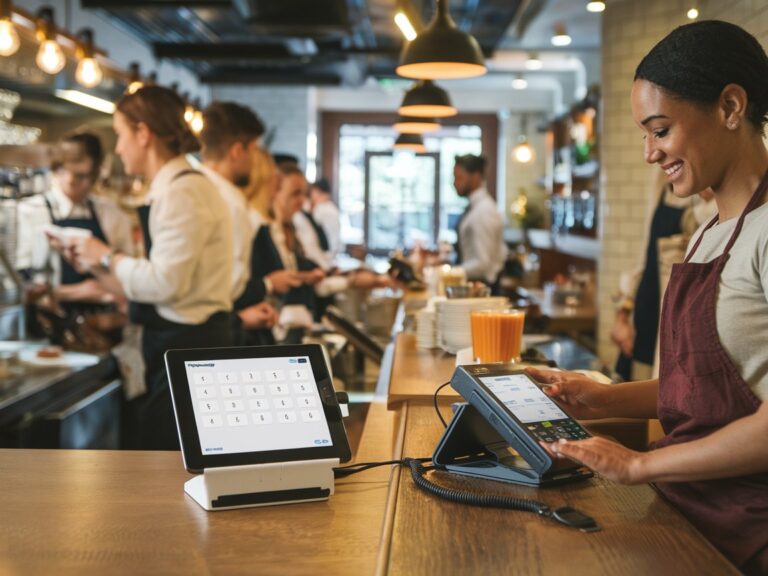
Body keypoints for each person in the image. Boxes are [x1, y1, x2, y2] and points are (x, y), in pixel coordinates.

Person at [528, 21, 768, 574]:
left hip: (749, 532)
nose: (649, 153)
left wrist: (636, 466)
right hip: (691, 514)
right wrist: (600, 398)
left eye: (660, 130)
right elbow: (708, 390)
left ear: (731, 106)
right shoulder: (710, 230)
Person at [73, 86, 234, 450]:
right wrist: (93, 265)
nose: (117, 148)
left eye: (120, 134)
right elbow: (156, 281)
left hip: (190, 353)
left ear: (143, 134)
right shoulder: (172, 187)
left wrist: (105, 257)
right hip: (179, 345)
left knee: (169, 474)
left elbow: (165, 284)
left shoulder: (182, 192)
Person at [17, 132, 134, 324]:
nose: (71, 180)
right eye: (64, 170)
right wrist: (77, 292)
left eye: (81, 175)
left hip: (103, 324)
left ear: (96, 174)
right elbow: (19, 286)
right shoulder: (30, 212)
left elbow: (129, 276)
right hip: (48, 324)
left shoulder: (111, 214)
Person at [612, 181, 716, 381]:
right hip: (644, 324)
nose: (652, 156)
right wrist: (622, 317)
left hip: (679, 330)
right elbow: (644, 260)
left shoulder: (717, 202)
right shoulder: (660, 182)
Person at [197, 102, 279, 342]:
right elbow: (232, 285)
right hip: (219, 332)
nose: (255, 161)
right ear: (236, 151)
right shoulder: (231, 202)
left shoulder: (190, 188)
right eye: (253, 150)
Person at [452, 154, 507, 289]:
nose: (454, 183)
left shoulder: (484, 211)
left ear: (475, 176)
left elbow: (483, 264)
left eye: (459, 178)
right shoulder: (476, 207)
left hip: (484, 288)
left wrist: (449, 273)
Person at [310, 178, 342, 258]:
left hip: (326, 253)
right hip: (333, 251)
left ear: (319, 192)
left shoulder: (322, 209)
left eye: (313, 192)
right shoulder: (331, 208)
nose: (312, 195)